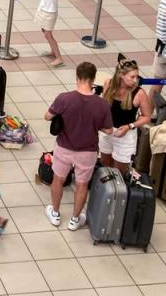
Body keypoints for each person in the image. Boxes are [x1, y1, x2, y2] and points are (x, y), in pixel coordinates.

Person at [44, 62, 114, 230]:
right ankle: (75, 219)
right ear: (93, 79)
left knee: (58, 179)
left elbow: (47, 116)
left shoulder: (64, 98)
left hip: (64, 147)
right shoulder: (102, 104)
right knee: (82, 185)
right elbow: (109, 130)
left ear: (77, 77)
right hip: (88, 151)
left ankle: (55, 213)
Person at [99, 59, 152, 173]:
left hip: (126, 135)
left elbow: (147, 116)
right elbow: (104, 107)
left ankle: (117, 190)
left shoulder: (139, 93)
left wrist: (130, 126)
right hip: (107, 131)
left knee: (119, 172)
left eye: (136, 77)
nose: (135, 80)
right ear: (121, 75)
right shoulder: (108, 84)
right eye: (132, 77)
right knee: (105, 165)